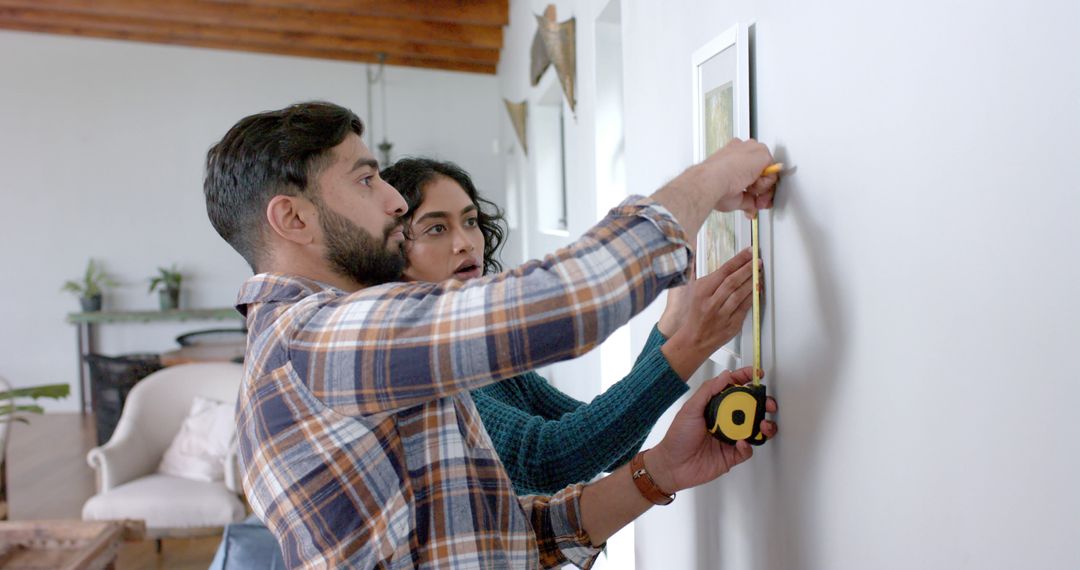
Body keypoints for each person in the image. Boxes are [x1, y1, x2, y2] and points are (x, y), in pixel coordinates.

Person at [203, 101, 778, 569]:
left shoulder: (323, 346)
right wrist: (711, 178)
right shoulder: (313, 342)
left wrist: (659, 473)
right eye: (365, 179)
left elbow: (492, 540)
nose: (393, 200)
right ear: (293, 220)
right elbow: (569, 303)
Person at [380, 157, 759, 495]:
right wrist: (691, 344)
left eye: (470, 221)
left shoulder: (479, 350)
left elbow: (610, 446)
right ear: (395, 253)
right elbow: (548, 460)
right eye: (436, 229)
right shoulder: (427, 369)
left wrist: (672, 324)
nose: (466, 243)